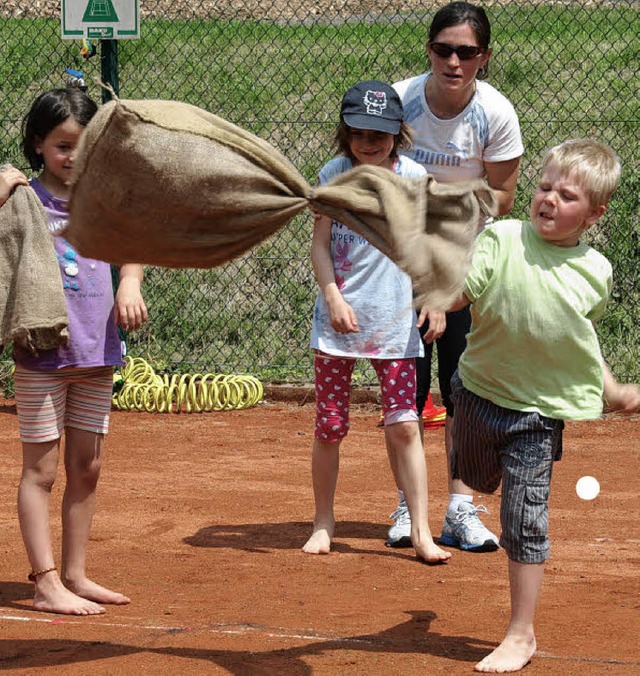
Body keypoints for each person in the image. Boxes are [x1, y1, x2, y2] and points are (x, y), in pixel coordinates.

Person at [448, 138, 640, 672]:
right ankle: (465, 484)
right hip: (479, 393)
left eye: (568, 195)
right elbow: (465, 291)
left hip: (537, 414)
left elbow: (572, 343)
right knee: (473, 476)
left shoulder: (594, 272)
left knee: (523, 517)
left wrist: (611, 387)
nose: (549, 199)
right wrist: (441, 287)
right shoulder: (502, 238)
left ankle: (520, 633)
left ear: (595, 214)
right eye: (544, 186)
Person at [387, 1, 524, 552]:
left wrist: (447, 236)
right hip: (401, 257)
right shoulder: (400, 102)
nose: (453, 60)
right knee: (408, 387)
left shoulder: (495, 113)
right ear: (429, 50)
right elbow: (372, 172)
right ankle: (408, 506)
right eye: (443, 49)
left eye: (466, 52)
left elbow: (504, 198)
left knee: (463, 389)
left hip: (468, 259)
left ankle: (461, 509)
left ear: (483, 58)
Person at [302, 80, 450, 564]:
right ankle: (324, 522)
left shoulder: (411, 175)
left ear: (398, 133)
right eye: (361, 131)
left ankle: (422, 531)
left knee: (405, 426)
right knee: (330, 426)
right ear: (345, 132)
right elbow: (320, 246)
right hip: (338, 323)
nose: (371, 141)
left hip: (394, 323)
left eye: (381, 132)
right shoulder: (334, 174)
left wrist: (434, 298)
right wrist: (332, 295)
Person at [13, 87, 147, 615]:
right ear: (39, 144)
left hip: (98, 351)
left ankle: (75, 573)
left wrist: (130, 283)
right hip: (43, 355)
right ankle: (45, 580)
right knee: (40, 472)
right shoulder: (23, 196)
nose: (73, 156)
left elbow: (132, 248)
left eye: (84, 145)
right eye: (62, 145)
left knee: (86, 468)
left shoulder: (105, 197)